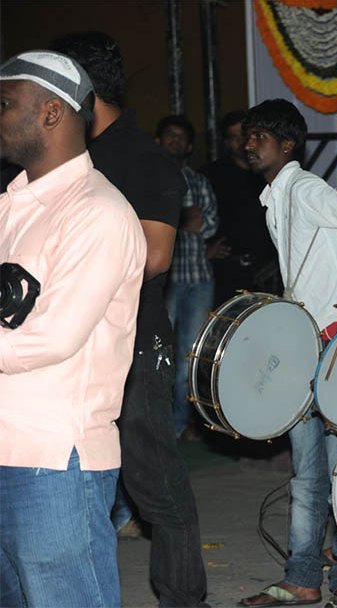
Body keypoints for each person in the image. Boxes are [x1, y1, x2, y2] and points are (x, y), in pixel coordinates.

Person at [52, 31, 209, 606]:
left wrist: (64, 285)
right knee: (63, 476)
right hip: (60, 342)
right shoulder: (53, 156)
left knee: (153, 478)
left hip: (133, 342)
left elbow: (156, 256)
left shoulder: (143, 158)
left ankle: (183, 597)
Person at [0, 50, 146, 607]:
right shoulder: (10, 207)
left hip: (56, 459)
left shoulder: (98, 212)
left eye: (5, 103)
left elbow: (52, 338)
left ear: (52, 113)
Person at [238, 99, 337, 608]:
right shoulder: (276, 197)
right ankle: (305, 577)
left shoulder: (306, 190)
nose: (249, 143)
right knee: (308, 471)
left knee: (336, 468)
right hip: (310, 345)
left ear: (288, 145)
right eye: (247, 135)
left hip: (335, 346)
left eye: (260, 136)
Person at [156, 114, 219, 439]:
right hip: (159, 281)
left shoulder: (197, 181)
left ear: (190, 146)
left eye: (181, 137)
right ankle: (157, 425)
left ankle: (178, 427)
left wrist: (177, 219)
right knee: (155, 354)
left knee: (188, 359)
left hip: (196, 279)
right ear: (158, 141)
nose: (175, 141)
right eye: (170, 135)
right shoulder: (147, 177)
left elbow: (208, 224)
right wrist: (183, 217)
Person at [199, 111, 277, 304]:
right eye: (233, 137)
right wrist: (204, 249)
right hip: (227, 270)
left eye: (244, 135)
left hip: (269, 269)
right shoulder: (212, 175)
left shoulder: (266, 171)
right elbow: (192, 217)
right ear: (226, 142)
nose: (241, 142)